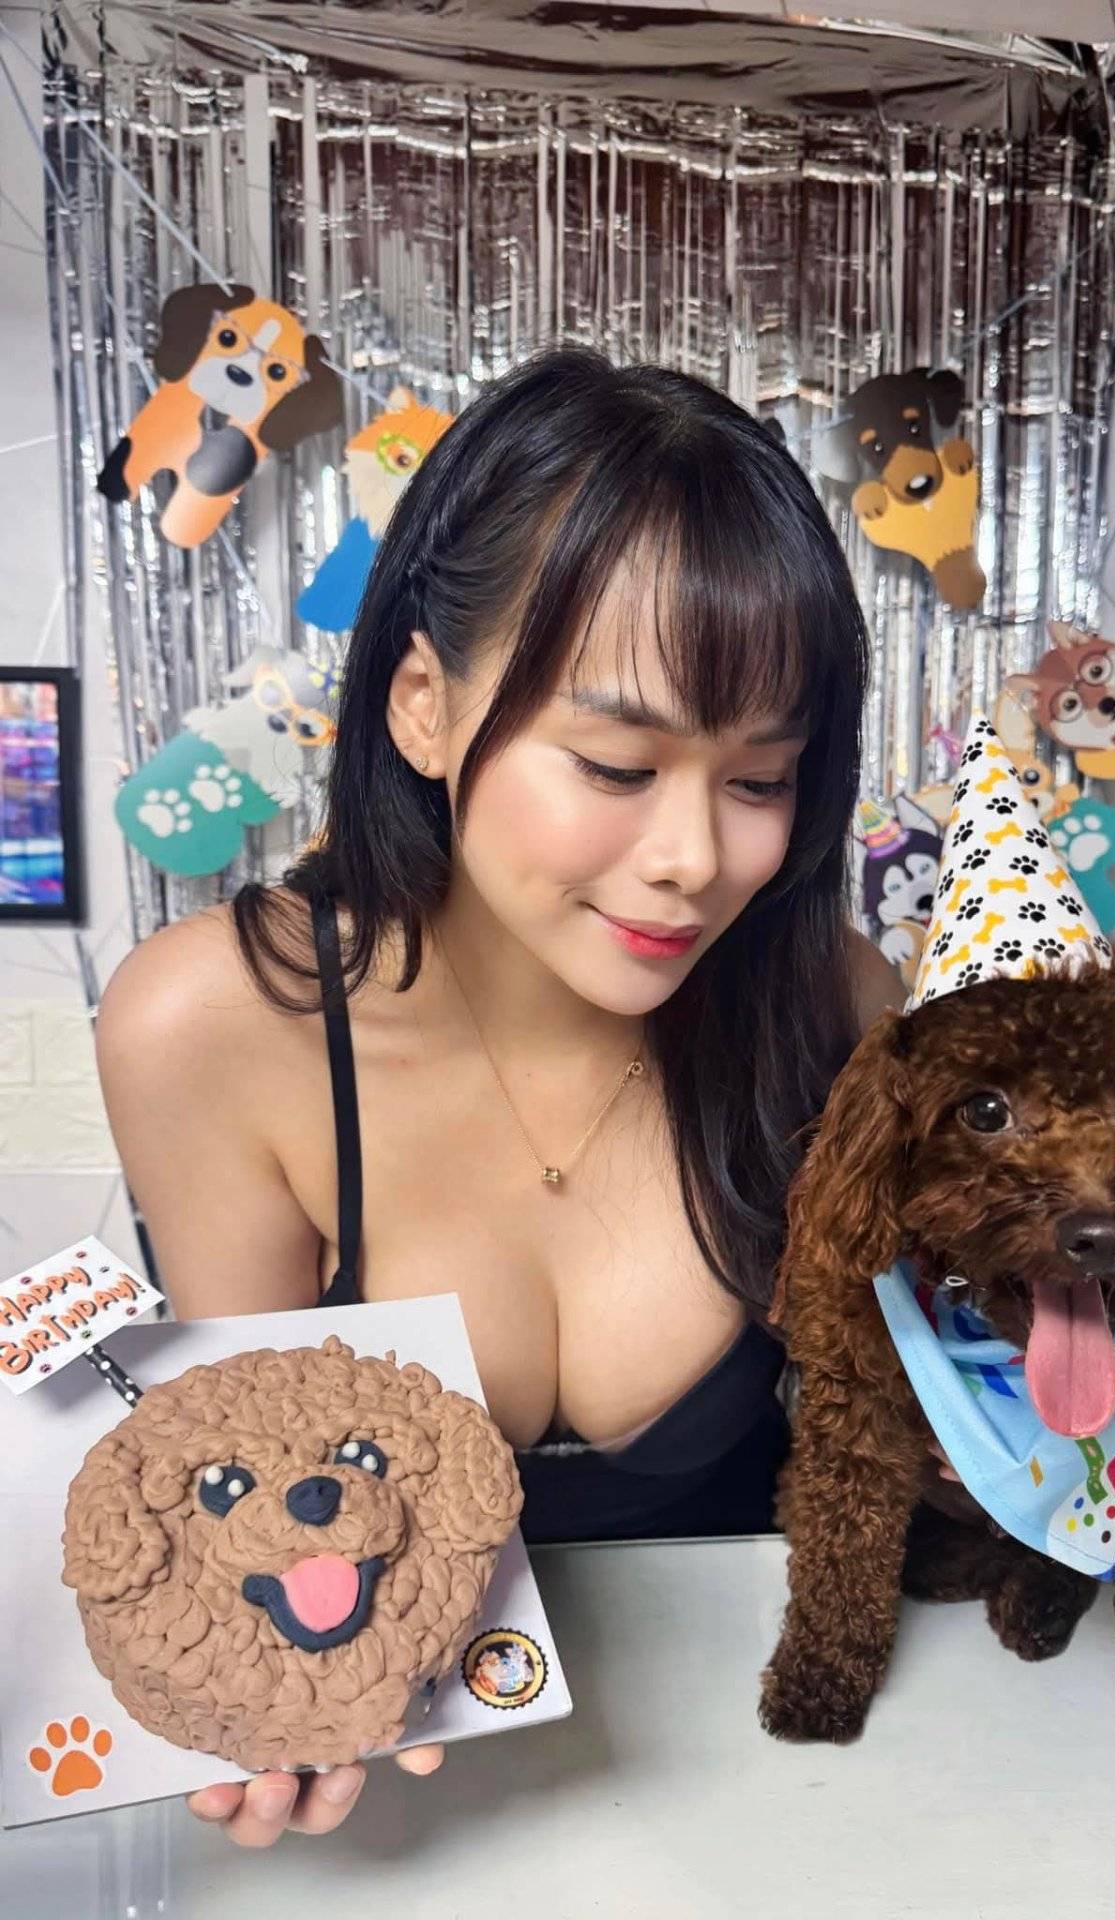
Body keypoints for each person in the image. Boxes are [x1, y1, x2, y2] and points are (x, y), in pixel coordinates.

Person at [96, 349, 902, 1847]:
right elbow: (245, 1492)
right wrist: (267, 1706)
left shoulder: (830, 1009)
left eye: (757, 781)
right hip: (413, 1833)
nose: (694, 859)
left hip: (773, 1797)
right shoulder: (217, 1027)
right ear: (423, 705)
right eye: (616, 764)